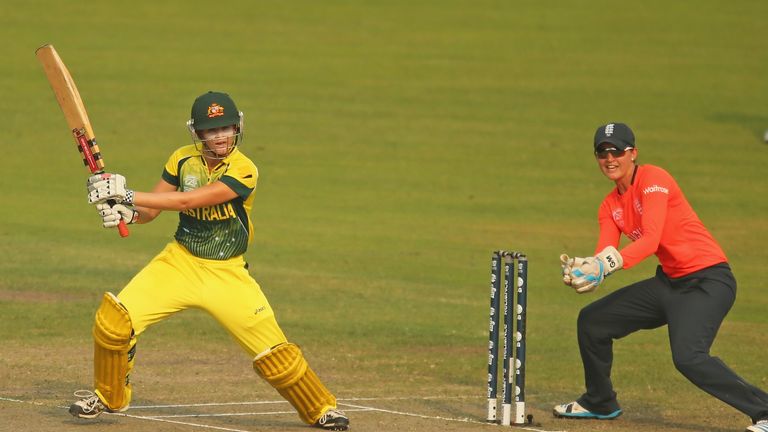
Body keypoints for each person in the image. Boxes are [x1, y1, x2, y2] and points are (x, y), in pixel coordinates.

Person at [69, 91, 349, 431]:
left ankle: (321, 408)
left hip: (226, 274)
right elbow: (152, 210)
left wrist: (125, 193)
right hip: (179, 263)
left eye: (226, 128)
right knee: (114, 323)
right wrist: (128, 212)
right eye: (211, 130)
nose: (220, 136)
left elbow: (188, 201)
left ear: (237, 127)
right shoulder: (181, 159)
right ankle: (109, 396)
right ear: (197, 133)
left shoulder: (245, 169)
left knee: (276, 355)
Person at [555, 122, 768, 432]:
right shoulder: (609, 206)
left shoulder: (654, 179)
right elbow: (605, 255)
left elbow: (651, 239)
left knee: (689, 357)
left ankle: (764, 410)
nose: (610, 159)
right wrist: (586, 271)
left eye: (617, 152)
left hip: (708, 281)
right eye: (602, 153)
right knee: (592, 321)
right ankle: (600, 401)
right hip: (670, 283)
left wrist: (606, 265)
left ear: (633, 153)